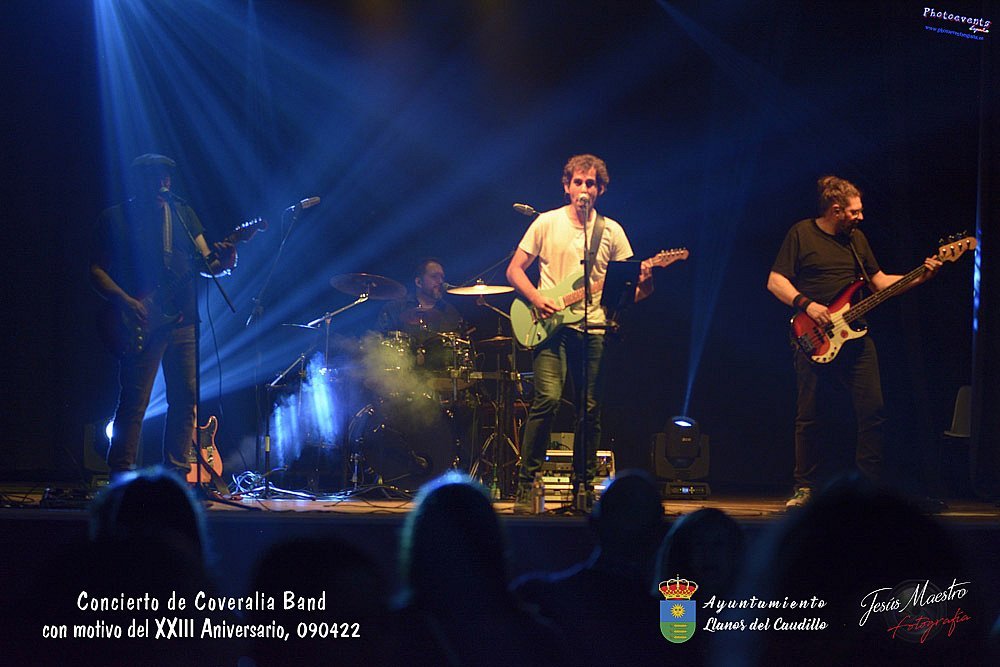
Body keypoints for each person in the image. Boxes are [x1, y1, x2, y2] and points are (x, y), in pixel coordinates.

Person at [767, 175, 941, 508]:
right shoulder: (801, 233)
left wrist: (921, 275)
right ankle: (805, 487)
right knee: (810, 414)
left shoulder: (856, 240)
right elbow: (775, 281)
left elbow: (880, 283)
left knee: (873, 410)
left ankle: (869, 489)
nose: (861, 216)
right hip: (812, 336)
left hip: (855, 334)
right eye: (855, 211)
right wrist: (808, 305)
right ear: (836, 210)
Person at [506, 154, 654, 512]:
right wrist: (537, 298)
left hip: (594, 326)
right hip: (549, 326)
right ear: (567, 186)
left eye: (590, 183)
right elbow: (514, 270)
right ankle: (527, 485)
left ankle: (583, 488)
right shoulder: (546, 222)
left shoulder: (611, 231)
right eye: (578, 182)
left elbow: (627, 291)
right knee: (548, 400)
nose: (584, 189)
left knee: (589, 409)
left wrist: (646, 284)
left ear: (600, 189)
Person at [90, 153, 235, 481]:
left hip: (184, 322)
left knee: (185, 400)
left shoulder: (182, 215)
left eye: (166, 177)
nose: (162, 182)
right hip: (139, 321)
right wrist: (127, 301)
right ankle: (121, 475)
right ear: (138, 181)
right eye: (154, 176)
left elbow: (208, 263)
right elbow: (96, 270)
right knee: (134, 401)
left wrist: (226, 261)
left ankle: (178, 476)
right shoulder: (116, 218)